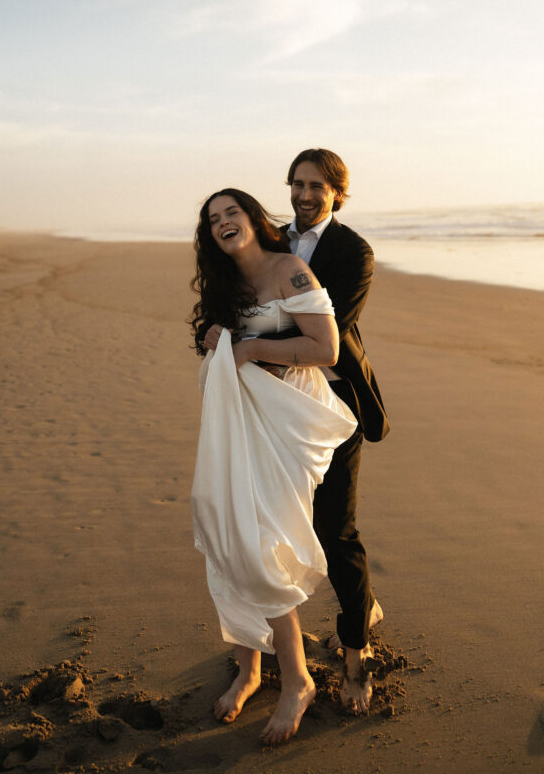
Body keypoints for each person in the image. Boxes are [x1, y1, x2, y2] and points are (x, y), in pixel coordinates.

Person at [204, 149, 389, 714]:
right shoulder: (272, 239)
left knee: (336, 531)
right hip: (267, 405)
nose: (305, 195)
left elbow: (321, 327)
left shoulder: (352, 252)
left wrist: (238, 338)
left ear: (337, 191)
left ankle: (356, 653)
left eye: (317, 186)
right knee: (259, 526)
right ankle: (262, 652)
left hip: (330, 400)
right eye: (297, 184)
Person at [190, 189, 357, 745]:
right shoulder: (225, 285)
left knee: (261, 545)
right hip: (238, 420)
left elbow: (326, 348)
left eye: (231, 213)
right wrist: (218, 340)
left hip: (285, 424)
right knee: (228, 532)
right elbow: (219, 344)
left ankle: (298, 681)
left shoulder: (290, 271)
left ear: (254, 219)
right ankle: (249, 667)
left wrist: (249, 349)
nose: (223, 224)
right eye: (213, 220)